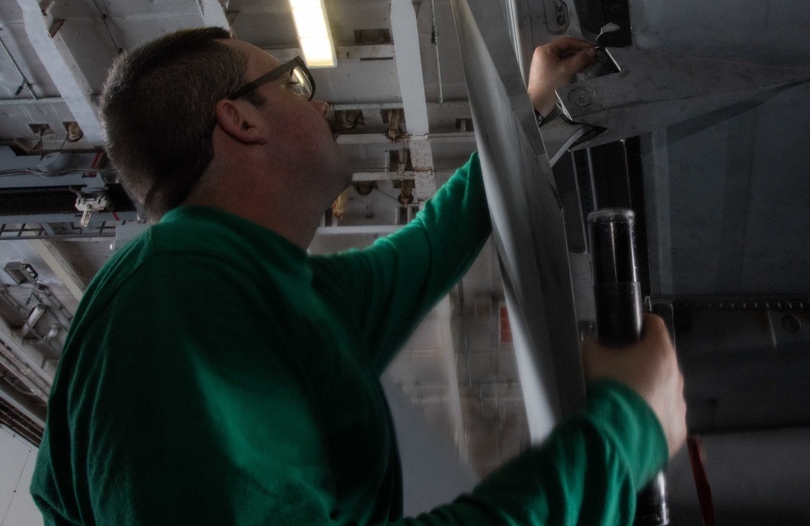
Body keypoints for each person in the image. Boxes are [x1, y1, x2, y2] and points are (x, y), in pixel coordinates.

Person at [30, 27, 687, 525]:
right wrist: (621, 430)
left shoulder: (274, 292)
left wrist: (534, 109)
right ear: (240, 118)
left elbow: (433, 242)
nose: (319, 104)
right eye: (291, 83)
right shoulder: (171, 300)